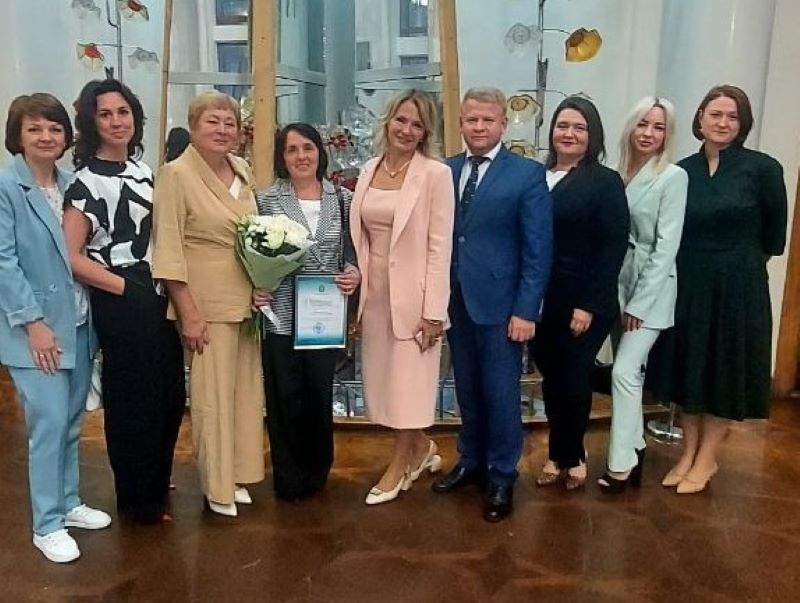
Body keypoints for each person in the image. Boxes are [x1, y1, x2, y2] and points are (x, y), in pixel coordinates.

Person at [63, 79, 185, 524]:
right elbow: (71, 256)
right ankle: (138, 500)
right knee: (134, 401)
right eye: (105, 114)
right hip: (120, 295)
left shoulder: (144, 171)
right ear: (91, 123)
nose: (116, 121)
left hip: (156, 291)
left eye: (123, 112)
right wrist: (123, 289)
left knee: (169, 394)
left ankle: (156, 482)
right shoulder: (85, 182)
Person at [433, 86, 553, 522]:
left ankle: (502, 474)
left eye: (487, 120)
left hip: (503, 308)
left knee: (501, 393)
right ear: (460, 124)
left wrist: (526, 309)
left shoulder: (526, 174)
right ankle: (471, 461)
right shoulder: (445, 171)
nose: (479, 127)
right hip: (455, 302)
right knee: (466, 388)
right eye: (472, 120)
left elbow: (538, 249)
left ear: (503, 123)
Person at [659, 85, 787, 493]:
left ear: (743, 123)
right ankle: (688, 453)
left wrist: (736, 266)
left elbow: (774, 239)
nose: (723, 122)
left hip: (738, 288)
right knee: (690, 370)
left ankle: (707, 457)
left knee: (721, 371)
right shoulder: (681, 171)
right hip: (688, 283)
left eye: (732, 116)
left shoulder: (763, 169)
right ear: (700, 119)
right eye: (715, 114)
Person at [0, 93, 110, 563]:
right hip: (36, 330)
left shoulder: (72, 184)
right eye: (35, 129)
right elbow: (4, 262)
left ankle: (67, 502)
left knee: (70, 421)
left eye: (54, 128)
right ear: (17, 136)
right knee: (46, 424)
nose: (46, 137)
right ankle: (46, 524)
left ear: (67, 135)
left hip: (79, 321)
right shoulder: (7, 186)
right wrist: (32, 322)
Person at [152, 91, 265, 517]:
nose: (222, 130)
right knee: (211, 399)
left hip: (245, 301)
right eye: (212, 122)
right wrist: (189, 313)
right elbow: (168, 247)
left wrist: (261, 279)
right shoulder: (175, 174)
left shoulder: (242, 170)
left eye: (229, 123)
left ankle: (237, 473)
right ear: (193, 127)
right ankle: (216, 486)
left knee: (244, 395)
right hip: (204, 304)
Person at [350, 89, 454, 505]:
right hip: (374, 296)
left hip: (415, 299)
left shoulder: (435, 175)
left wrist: (434, 312)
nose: (407, 130)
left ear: (426, 132)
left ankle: (399, 466)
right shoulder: (368, 169)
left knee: (409, 388)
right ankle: (422, 448)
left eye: (417, 125)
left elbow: (440, 247)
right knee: (385, 385)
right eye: (401, 120)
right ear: (388, 120)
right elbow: (359, 237)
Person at [255, 123, 360, 500]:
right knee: (284, 397)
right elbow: (254, 253)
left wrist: (353, 272)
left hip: (324, 317)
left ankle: (317, 471)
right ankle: (288, 475)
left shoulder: (343, 199)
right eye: (292, 150)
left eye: (308, 148)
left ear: (320, 152)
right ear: (282, 157)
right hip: (281, 314)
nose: (301, 156)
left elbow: (352, 251)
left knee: (318, 395)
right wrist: (256, 284)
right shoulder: (266, 200)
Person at [533, 96, 629, 492]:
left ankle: (569, 457)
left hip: (584, 300)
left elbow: (613, 247)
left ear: (593, 136)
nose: (569, 134)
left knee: (573, 379)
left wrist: (587, 305)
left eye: (579, 127)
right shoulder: (536, 176)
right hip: (541, 300)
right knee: (552, 380)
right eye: (562, 125)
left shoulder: (604, 181)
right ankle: (562, 451)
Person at [596, 97, 687, 493]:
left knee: (623, 372)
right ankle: (634, 446)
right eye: (643, 124)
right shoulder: (618, 173)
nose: (649, 133)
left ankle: (621, 465)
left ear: (668, 135)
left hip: (650, 287)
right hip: (617, 282)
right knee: (627, 372)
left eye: (659, 127)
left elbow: (667, 247)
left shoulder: (673, 177)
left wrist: (640, 303)